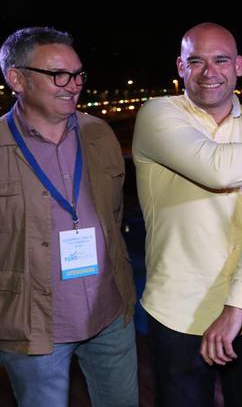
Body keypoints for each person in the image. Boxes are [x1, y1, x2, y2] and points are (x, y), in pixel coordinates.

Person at [132, 22, 242, 407]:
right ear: (179, 66)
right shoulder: (158, 115)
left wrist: (236, 305)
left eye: (221, 60)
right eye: (196, 61)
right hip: (179, 312)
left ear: (239, 65)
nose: (210, 72)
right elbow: (216, 168)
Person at [0, 27, 137, 406]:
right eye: (58, 75)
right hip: (33, 329)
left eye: (78, 75)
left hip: (111, 317)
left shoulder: (100, 134)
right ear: (17, 78)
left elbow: (113, 216)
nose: (73, 85)